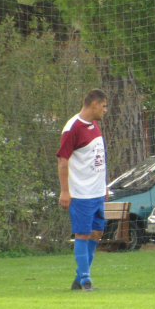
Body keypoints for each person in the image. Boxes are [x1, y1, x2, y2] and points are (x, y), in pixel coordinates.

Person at [57, 89, 108, 292]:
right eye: (103, 106)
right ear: (94, 104)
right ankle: (86, 280)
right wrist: (64, 191)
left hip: (97, 192)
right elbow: (63, 160)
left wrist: (104, 185)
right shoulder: (72, 128)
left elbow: (98, 157)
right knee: (83, 233)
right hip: (81, 193)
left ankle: (79, 278)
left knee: (97, 232)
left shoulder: (94, 125)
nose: (105, 110)